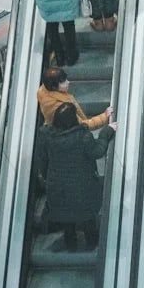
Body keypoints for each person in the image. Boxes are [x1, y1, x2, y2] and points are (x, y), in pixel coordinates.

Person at [37, 103, 116, 251]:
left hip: (57, 188)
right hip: (82, 187)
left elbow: (43, 160)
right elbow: (97, 151)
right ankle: (91, 244)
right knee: (87, 217)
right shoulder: (82, 137)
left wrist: (48, 177)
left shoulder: (47, 137)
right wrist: (106, 132)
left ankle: (71, 246)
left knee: (67, 219)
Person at [38, 68, 112, 131]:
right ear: (54, 87)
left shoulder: (45, 91)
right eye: (63, 82)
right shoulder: (61, 108)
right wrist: (104, 117)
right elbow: (81, 126)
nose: (68, 82)